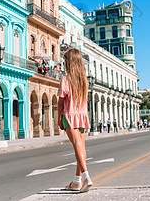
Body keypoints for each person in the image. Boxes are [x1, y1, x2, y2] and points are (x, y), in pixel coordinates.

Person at [57, 49, 93, 193]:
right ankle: (77, 181)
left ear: (69, 62)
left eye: (65, 60)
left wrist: (59, 116)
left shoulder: (66, 80)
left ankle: (86, 176)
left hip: (69, 115)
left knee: (77, 145)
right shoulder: (84, 81)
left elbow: (60, 101)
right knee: (81, 147)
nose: (63, 62)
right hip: (82, 116)